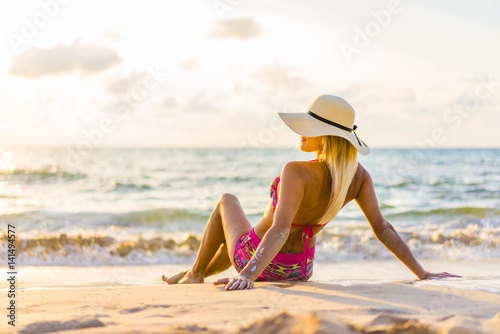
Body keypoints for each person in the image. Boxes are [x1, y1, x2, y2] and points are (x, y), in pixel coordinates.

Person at [162, 94, 460, 290]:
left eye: (309, 126)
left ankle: (196, 274)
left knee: (227, 200)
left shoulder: (295, 170)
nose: (301, 131)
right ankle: (193, 272)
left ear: (327, 136)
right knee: (237, 241)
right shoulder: (358, 178)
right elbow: (383, 229)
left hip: (257, 260)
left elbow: (278, 231)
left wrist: (247, 276)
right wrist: (422, 273)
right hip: (299, 271)